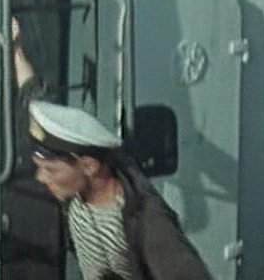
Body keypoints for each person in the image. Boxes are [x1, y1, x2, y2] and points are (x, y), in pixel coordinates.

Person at [28, 99, 214, 280]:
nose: (40, 177)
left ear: (89, 166)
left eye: (50, 170)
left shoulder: (147, 219)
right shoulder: (74, 197)